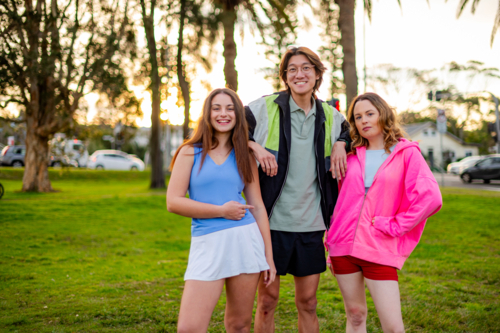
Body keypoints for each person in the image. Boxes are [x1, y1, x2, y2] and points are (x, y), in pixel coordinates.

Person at [245, 46, 351, 333]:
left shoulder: (332, 116)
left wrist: (341, 142)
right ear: (285, 77)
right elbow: (230, 127)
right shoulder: (263, 108)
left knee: (308, 302)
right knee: (267, 300)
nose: (299, 74)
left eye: (306, 68)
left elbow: (354, 132)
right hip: (270, 225)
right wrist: (253, 145)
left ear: (317, 75)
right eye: (292, 69)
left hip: (311, 225)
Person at [325, 92, 443, 332]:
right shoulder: (350, 156)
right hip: (342, 247)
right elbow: (338, 201)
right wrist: (332, 240)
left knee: (392, 326)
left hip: (379, 246)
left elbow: (430, 198)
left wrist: (396, 225)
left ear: (383, 115)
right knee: (355, 316)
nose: (364, 121)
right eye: (358, 117)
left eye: (370, 114)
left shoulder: (406, 153)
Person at [167, 88, 276, 333]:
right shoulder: (189, 151)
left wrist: (268, 257)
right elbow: (173, 201)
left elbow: (257, 207)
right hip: (207, 243)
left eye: (229, 108)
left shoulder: (244, 156)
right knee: (189, 328)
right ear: (207, 113)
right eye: (216, 108)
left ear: (238, 115)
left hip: (245, 242)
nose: (223, 114)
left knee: (239, 325)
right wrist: (221, 211)